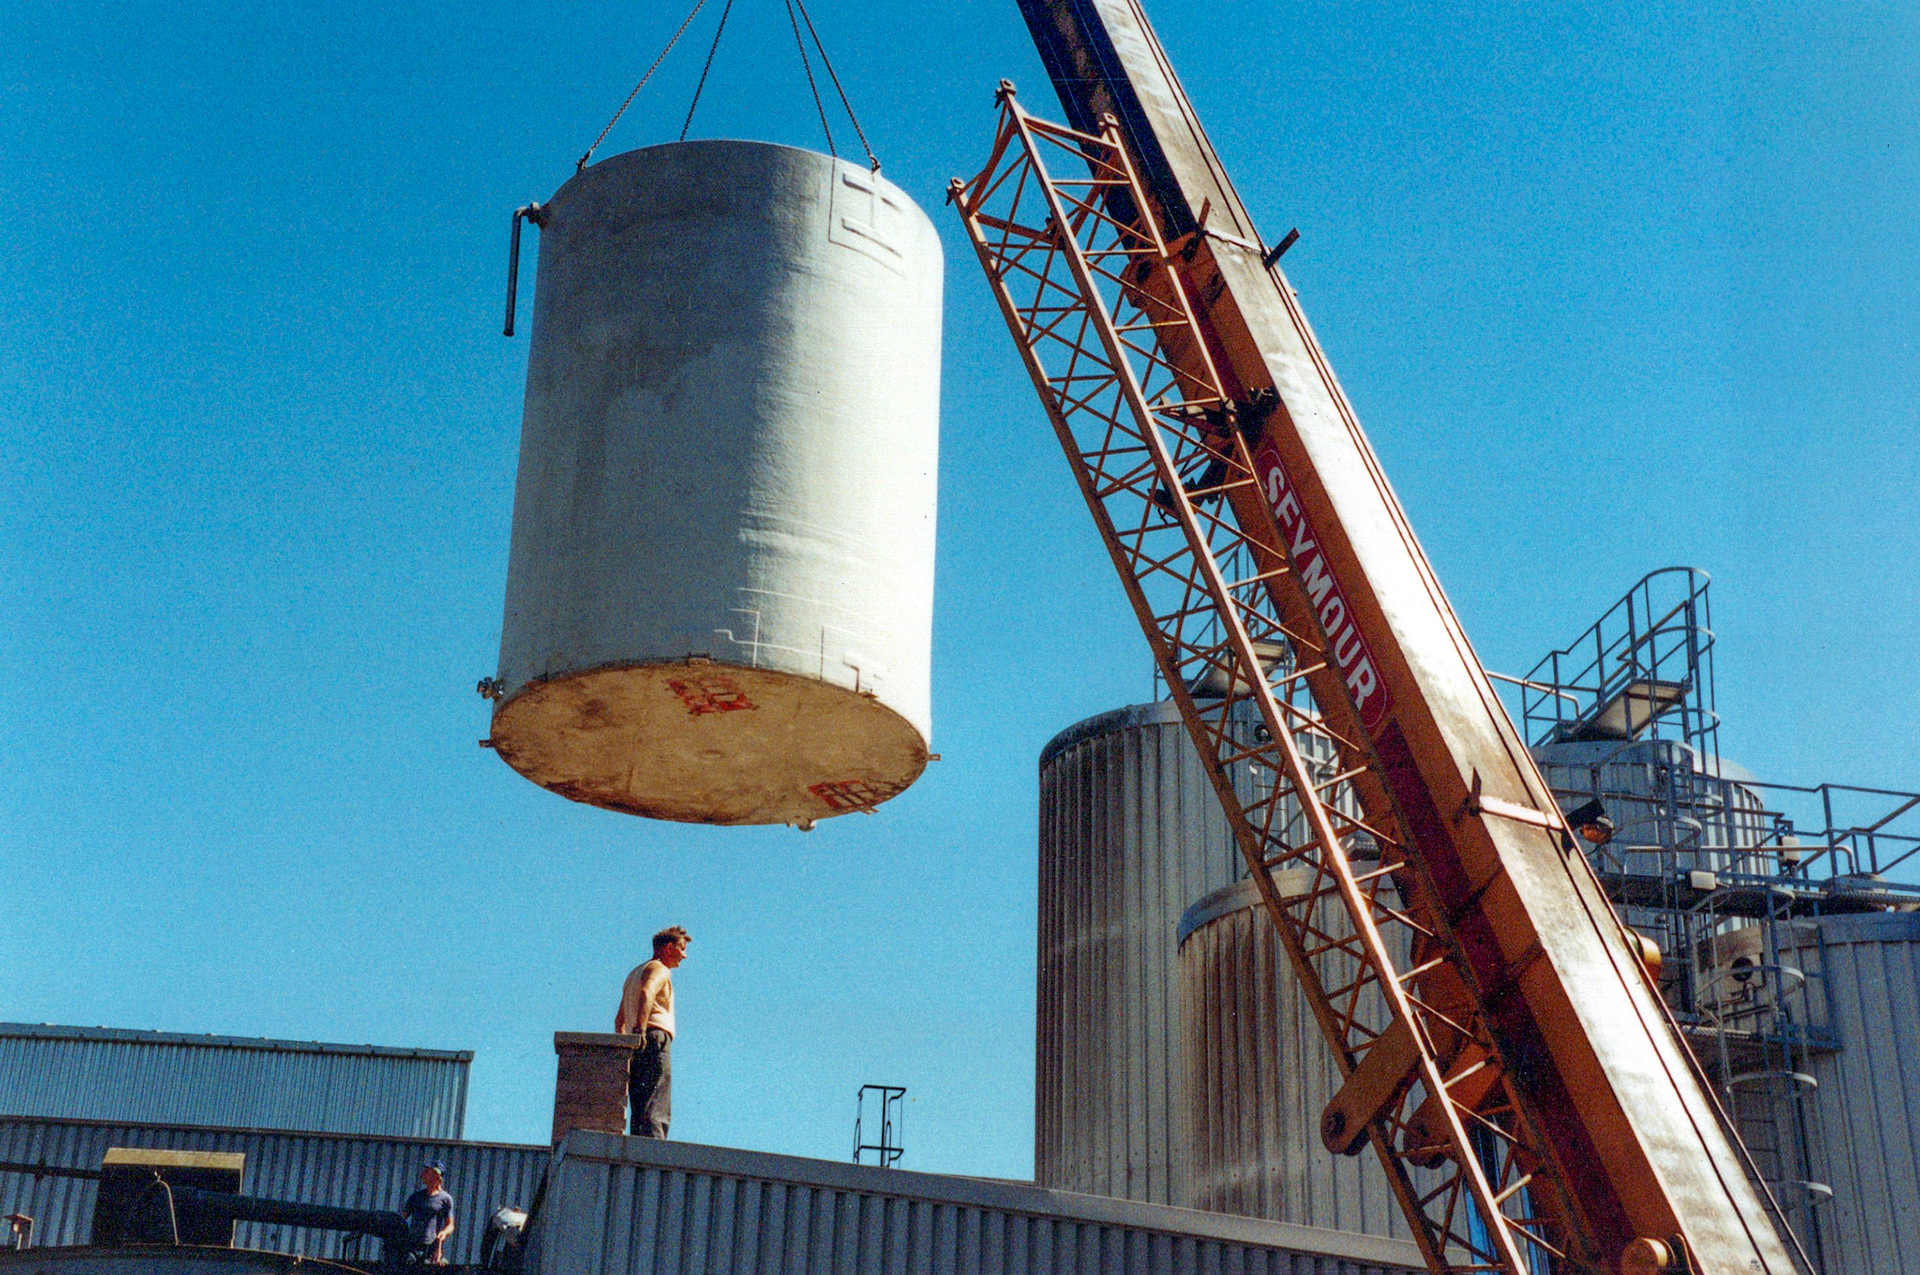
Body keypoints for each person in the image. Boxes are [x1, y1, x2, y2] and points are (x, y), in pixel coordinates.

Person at [615, 925, 689, 1138]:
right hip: (654, 1037)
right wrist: (641, 1029)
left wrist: (626, 1047)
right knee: (656, 1104)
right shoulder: (660, 969)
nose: (684, 956)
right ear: (669, 947)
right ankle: (654, 1151)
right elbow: (647, 992)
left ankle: (639, 1150)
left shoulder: (634, 974)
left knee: (640, 1107)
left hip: (637, 1044)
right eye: (681, 949)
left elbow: (619, 1021)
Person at [401, 1160, 456, 1265]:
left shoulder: (446, 1199)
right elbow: (401, 1219)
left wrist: (443, 1234)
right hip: (412, 1248)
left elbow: (450, 1225)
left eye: (426, 1171)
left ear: (436, 1175)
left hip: (431, 1249)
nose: (422, 1175)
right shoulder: (415, 1197)